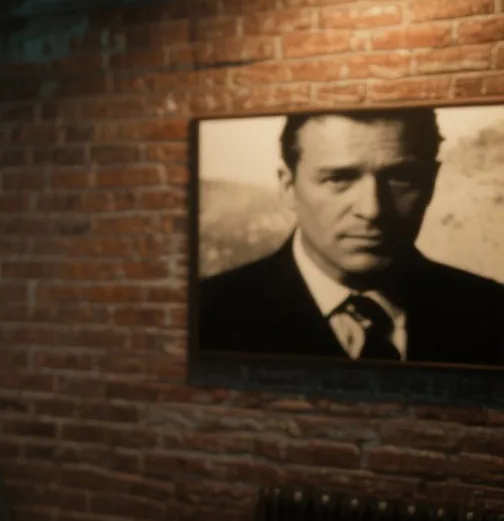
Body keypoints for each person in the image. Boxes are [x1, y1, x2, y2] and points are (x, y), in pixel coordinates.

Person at [197, 108, 504, 365]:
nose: (372, 210)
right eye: (339, 178)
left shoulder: (492, 312)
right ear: (288, 187)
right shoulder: (207, 315)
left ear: (431, 183)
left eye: (400, 178)